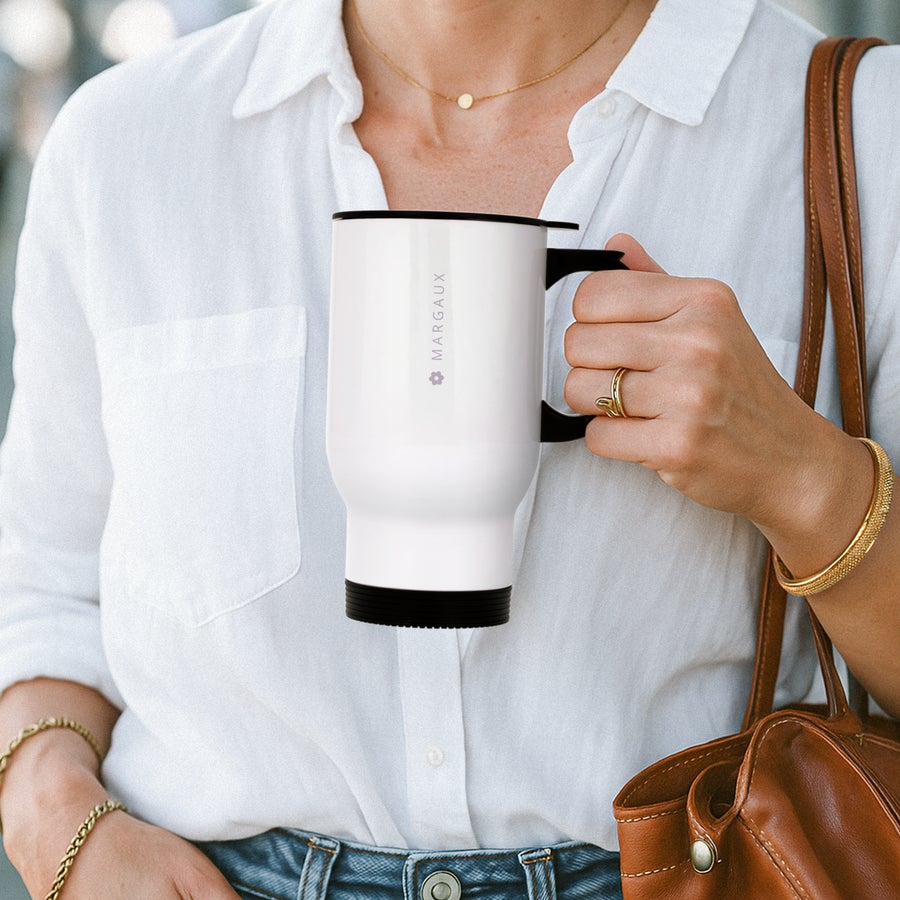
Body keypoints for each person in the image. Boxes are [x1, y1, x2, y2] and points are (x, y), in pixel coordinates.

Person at [0, 0, 898, 897]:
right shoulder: (128, 145)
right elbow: (42, 590)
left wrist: (809, 482)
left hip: (693, 869)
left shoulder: (858, 140)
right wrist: (59, 829)